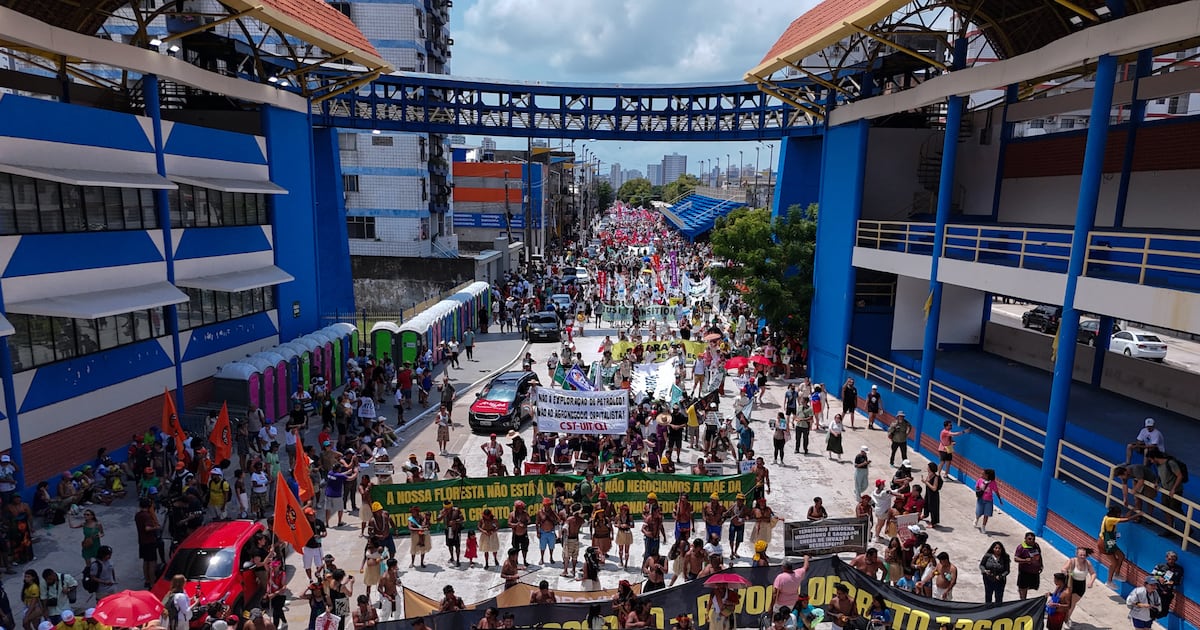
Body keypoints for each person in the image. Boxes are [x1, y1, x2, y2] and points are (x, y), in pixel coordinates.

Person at [1099, 505, 1139, 587]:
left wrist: (1132, 510)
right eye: (1119, 514)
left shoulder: (1108, 517)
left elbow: (1124, 517)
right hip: (1104, 543)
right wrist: (1138, 515)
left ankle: (1117, 574)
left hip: (1110, 541)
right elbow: (1126, 519)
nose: (1120, 516)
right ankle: (1109, 581)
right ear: (1115, 514)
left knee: (1121, 556)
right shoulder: (1110, 520)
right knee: (1114, 562)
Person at [1063, 547, 1096, 625]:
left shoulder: (1087, 563)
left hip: (1081, 585)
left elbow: (1093, 573)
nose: (1082, 557)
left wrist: (1091, 582)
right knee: (1065, 601)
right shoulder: (1072, 561)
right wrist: (1067, 572)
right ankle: (1064, 617)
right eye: (1081, 555)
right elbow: (1063, 569)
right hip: (1071, 583)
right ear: (1077, 554)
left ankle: (1067, 619)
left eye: (1084, 555)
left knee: (1073, 603)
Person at [1151, 550, 1183, 620]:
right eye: (1169, 559)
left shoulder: (1178, 569)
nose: (1171, 561)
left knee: (1164, 613)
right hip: (1157, 591)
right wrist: (1159, 578)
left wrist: (1172, 582)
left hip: (1167, 593)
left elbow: (1178, 582)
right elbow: (1153, 575)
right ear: (1166, 558)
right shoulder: (1162, 566)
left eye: (1173, 559)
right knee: (1153, 609)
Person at [1013, 531, 1044, 599]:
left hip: (1034, 572)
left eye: (1033, 539)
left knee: (1029, 587)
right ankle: (1022, 600)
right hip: (1024, 572)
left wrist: (1041, 565)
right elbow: (1016, 559)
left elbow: (1039, 555)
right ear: (1025, 539)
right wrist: (1025, 560)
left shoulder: (1036, 546)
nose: (1031, 541)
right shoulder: (1021, 547)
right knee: (1023, 588)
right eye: (1029, 539)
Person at [974, 469, 1002, 534]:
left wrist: (999, 499)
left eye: (983, 474)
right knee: (979, 512)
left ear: (987, 476)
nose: (982, 475)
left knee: (986, 514)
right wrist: (979, 489)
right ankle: (977, 518)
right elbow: (976, 487)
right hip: (981, 499)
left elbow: (996, 491)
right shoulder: (980, 480)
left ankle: (983, 526)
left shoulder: (992, 483)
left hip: (989, 500)